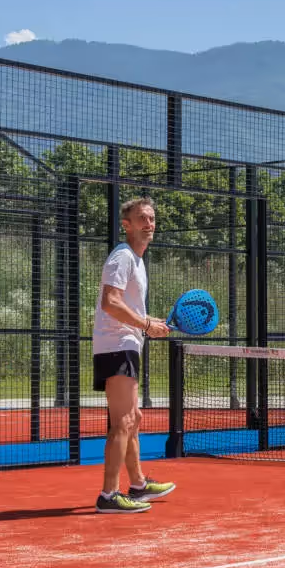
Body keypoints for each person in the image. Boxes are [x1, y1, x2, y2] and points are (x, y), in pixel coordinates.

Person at [92, 196, 176, 512]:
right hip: (117, 345)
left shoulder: (137, 261)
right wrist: (144, 323)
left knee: (134, 418)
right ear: (126, 225)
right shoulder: (122, 257)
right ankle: (108, 495)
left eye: (152, 218)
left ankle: (138, 485)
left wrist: (148, 323)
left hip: (126, 343)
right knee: (123, 421)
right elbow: (110, 302)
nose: (149, 224)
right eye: (142, 218)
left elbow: (126, 305)